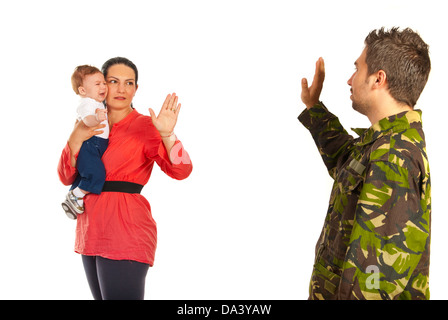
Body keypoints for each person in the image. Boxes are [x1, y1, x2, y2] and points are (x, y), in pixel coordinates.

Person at [299, 27, 431, 300]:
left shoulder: (394, 156)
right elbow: (346, 163)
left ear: (378, 79)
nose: (349, 80)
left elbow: (376, 277)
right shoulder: (384, 142)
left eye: (357, 69)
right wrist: (314, 107)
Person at [57, 57, 193, 300]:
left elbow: (181, 171)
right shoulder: (89, 123)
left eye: (129, 83)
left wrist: (167, 134)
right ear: (101, 85)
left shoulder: (146, 126)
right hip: (90, 231)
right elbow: (66, 175)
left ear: (136, 89)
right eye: (113, 81)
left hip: (126, 230)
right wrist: (76, 137)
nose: (121, 89)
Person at [61, 65, 109, 219]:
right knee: (97, 174)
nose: (103, 86)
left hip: (97, 145)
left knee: (84, 175)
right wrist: (96, 118)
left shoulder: (98, 102)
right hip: (91, 144)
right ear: (82, 91)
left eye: (104, 83)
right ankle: (76, 195)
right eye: (97, 84)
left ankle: (72, 199)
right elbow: (88, 119)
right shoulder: (87, 103)